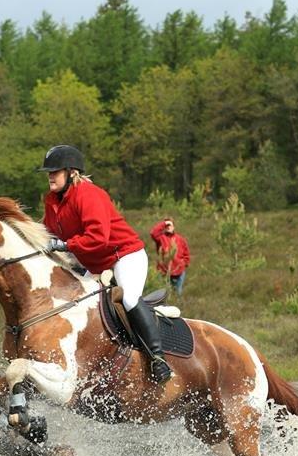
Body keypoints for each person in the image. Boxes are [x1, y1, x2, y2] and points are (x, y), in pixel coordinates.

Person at [39, 144, 172, 384]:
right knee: (78, 305)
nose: (50, 176)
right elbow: (47, 231)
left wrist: (64, 245)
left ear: (71, 172)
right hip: (96, 263)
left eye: (55, 171)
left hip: (124, 254)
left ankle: (158, 358)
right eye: (48, 172)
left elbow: (98, 237)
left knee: (129, 298)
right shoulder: (52, 201)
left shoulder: (89, 194)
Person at [149, 217, 191, 296]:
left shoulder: (180, 239)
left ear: (174, 227)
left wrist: (184, 263)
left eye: (170, 225)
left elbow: (186, 253)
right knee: (166, 294)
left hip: (179, 271)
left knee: (178, 293)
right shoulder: (160, 238)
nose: (168, 227)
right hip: (164, 271)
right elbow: (153, 233)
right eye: (166, 226)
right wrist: (164, 223)